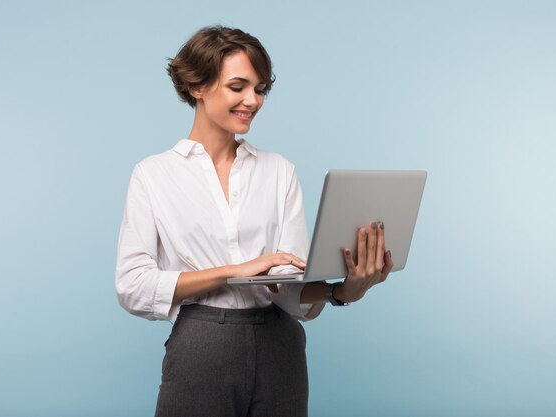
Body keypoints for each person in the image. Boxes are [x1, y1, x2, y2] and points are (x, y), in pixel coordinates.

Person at [115, 25, 393, 417]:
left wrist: (345, 290)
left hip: (281, 347)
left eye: (260, 89)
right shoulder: (154, 174)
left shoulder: (279, 171)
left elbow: (289, 288)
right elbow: (133, 286)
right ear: (198, 86)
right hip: (202, 344)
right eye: (238, 86)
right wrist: (234, 271)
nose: (253, 100)